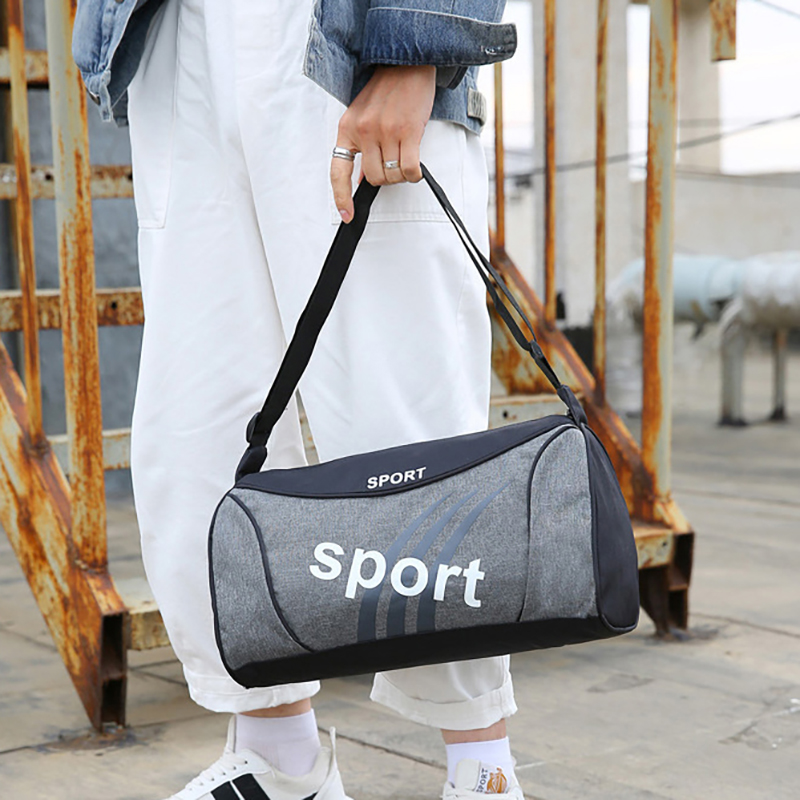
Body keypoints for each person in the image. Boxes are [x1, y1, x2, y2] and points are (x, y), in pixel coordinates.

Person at [73, 1, 522, 798]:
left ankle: (482, 770)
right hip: (180, 37)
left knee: (406, 426)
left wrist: (420, 46)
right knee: (200, 429)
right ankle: (280, 760)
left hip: (338, 29)